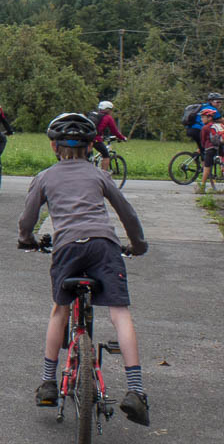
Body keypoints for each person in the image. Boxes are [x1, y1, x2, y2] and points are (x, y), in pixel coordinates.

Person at [17, 112, 151, 426]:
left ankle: (49, 383)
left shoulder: (45, 177)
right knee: (120, 313)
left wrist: (27, 239)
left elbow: (27, 219)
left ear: (54, 146)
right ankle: (135, 391)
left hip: (66, 249)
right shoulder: (99, 176)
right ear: (91, 146)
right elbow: (127, 213)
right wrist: (137, 244)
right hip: (104, 246)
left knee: (60, 311)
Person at [197, 108, 224, 193]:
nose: (201, 119)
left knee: (207, 166)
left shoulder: (205, 128)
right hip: (221, 147)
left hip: (210, 148)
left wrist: (201, 148)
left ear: (209, 118)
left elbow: (202, 142)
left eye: (203, 117)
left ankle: (202, 186)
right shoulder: (220, 125)